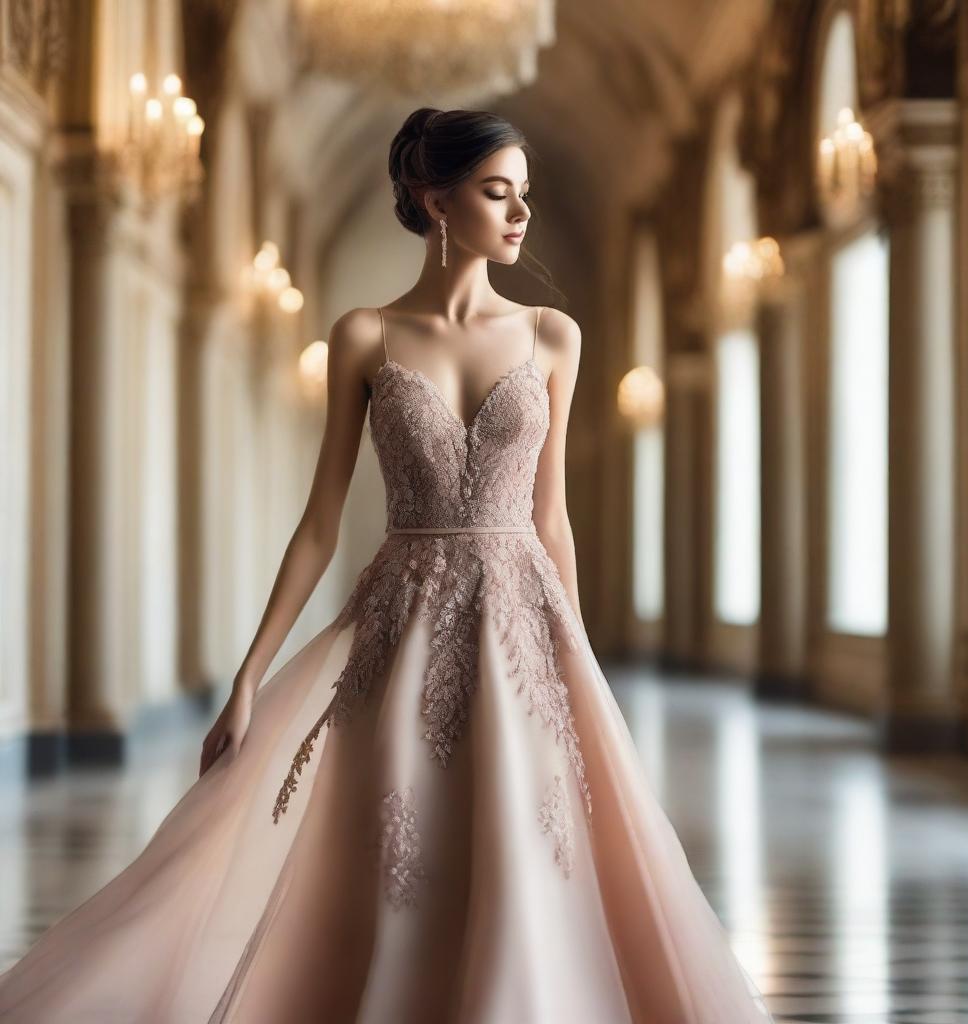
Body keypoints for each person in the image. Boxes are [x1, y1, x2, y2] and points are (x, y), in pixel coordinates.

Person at [0, 107, 775, 1022]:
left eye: (524, 194)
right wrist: (248, 678)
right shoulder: (364, 336)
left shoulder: (552, 336)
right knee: (400, 855)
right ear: (431, 197)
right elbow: (319, 525)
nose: (519, 213)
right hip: (397, 631)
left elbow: (551, 517)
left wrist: (578, 660)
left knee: (529, 852)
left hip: (524, 627)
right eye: (497, 192)